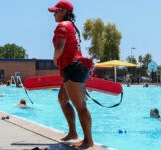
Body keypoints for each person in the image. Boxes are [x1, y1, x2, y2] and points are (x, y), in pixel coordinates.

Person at [48, 1, 94, 148]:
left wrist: (55, 59)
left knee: (80, 106)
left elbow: (59, 48)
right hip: (74, 67)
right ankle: (73, 133)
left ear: (62, 11)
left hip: (74, 68)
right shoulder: (72, 26)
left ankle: (88, 141)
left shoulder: (62, 26)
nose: (54, 14)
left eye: (55, 11)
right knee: (62, 99)